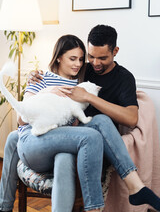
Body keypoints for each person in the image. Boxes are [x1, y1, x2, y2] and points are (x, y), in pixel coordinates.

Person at [0, 26, 160, 212]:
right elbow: (24, 116)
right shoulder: (63, 74)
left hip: (72, 136)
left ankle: (134, 187)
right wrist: (39, 84)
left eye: (100, 58)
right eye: (89, 57)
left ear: (115, 52)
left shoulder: (106, 78)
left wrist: (89, 97)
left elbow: (131, 118)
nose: (91, 63)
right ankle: (101, 204)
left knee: (82, 140)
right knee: (15, 137)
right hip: (53, 135)